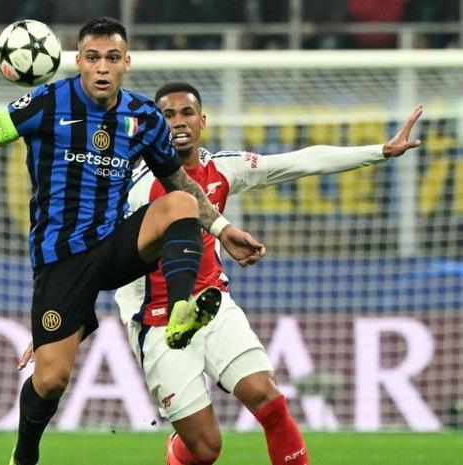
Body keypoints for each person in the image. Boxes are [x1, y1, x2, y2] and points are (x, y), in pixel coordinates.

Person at [0, 18, 265, 465]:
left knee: (180, 203)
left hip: (115, 246)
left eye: (112, 58)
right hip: (62, 259)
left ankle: (181, 311)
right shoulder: (47, 103)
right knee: (51, 379)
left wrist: (222, 229)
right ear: (78, 62)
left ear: (127, 63)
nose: (102, 67)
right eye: (93, 58)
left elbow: (180, 182)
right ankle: (24, 455)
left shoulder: (144, 117)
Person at [112, 83, 421, 465]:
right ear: (156, 126)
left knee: (269, 399)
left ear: (203, 121)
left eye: (187, 113)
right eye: (168, 115)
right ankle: (180, 448)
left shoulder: (223, 167)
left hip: (211, 305)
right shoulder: (137, 187)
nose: (178, 122)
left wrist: (379, 151)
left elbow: (298, 162)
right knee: (205, 449)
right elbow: (109, 255)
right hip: (158, 321)